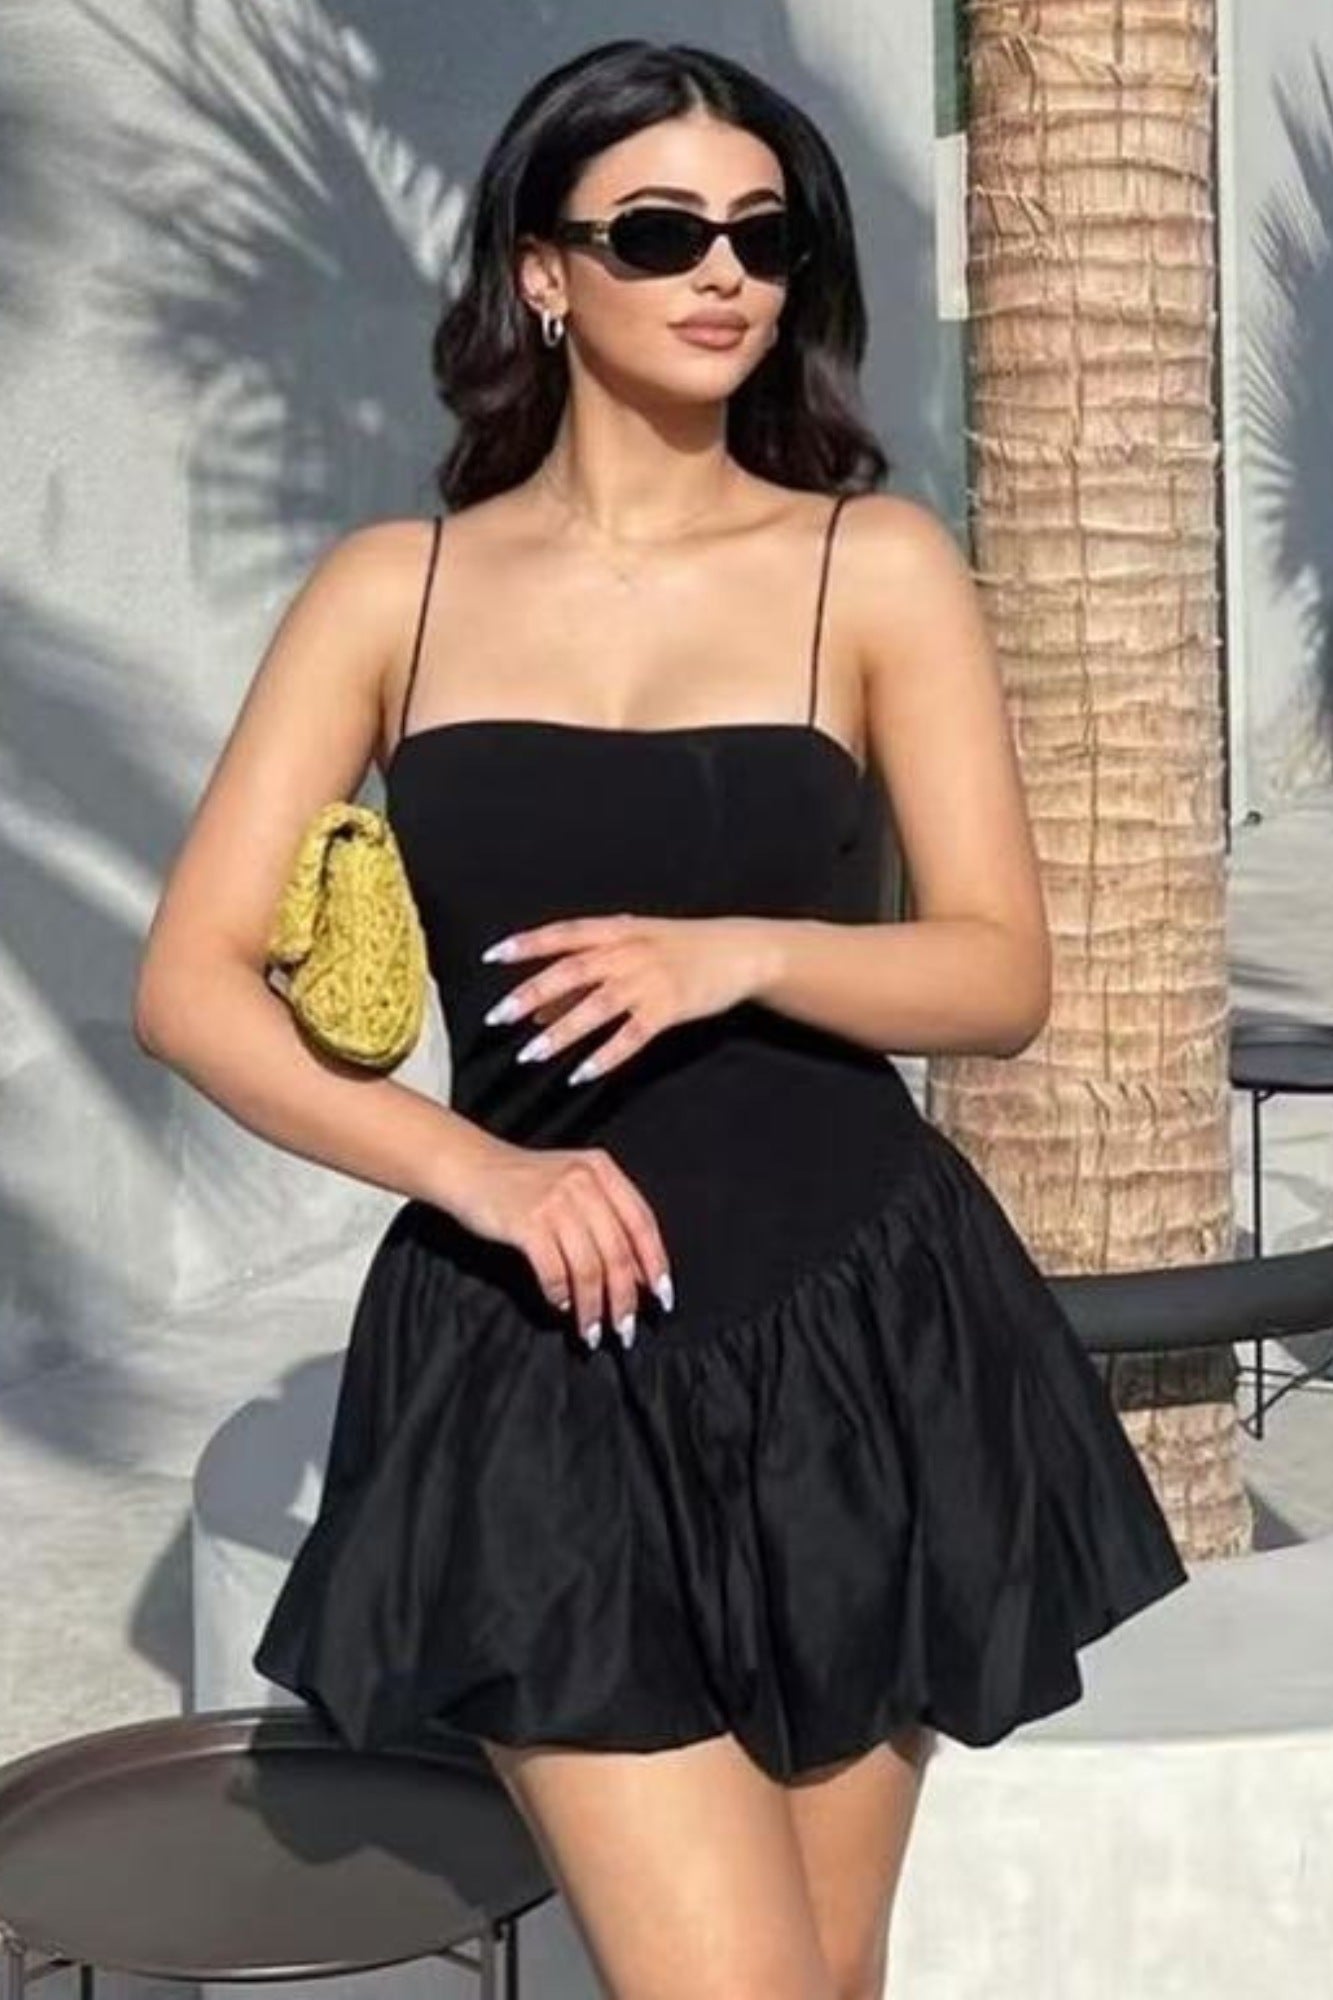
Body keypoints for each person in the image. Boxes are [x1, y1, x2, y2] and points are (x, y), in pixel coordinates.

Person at [134, 38, 1189, 2000]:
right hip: (540, 1352)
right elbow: (188, 984)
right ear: (544, 271)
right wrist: (478, 1170)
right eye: (659, 231)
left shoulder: (871, 564)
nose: (722, 271)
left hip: (858, 1324)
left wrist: (740, 952)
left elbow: (994, 972)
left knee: (826, 1974)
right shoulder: (390, 592)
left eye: (763, 237)